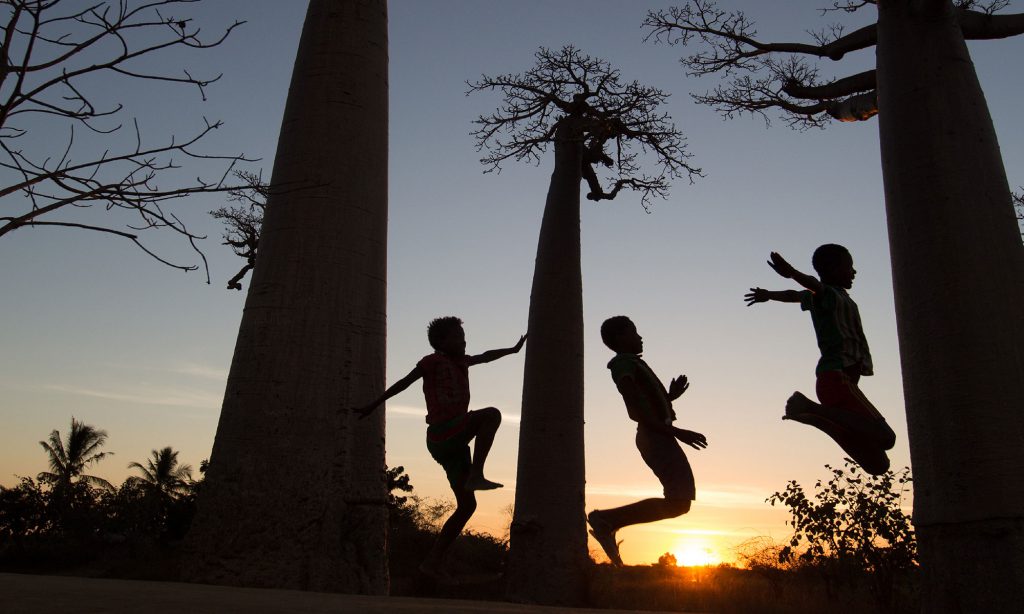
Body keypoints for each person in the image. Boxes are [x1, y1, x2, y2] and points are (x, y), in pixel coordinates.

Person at [351, 316, 525, 579]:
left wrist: (512, 350)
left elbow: (486, 356)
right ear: (441, 342)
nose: (464, 342)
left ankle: (431, 563)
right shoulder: (432, 362)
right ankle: (477, 473)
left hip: (455, 443)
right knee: (491, 415)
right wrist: (373, 405)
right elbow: (404, 383)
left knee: (467, 506)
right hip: (443, 433)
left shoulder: (462, 361)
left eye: (464, 337)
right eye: (458, 337)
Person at [744, 245, 896, 475]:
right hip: (836, 378)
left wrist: (769, 295)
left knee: (878, 465)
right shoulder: (829, 295)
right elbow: (812, 286)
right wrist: (792, 273)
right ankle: (809, 407)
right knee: (886, 437)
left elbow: (794, 295)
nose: (854, 272)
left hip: (840, 383)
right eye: (849, 267)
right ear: (833, 269)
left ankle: (819, 418)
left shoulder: (835, 296)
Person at [587, 316, 708, 566]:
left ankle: (608, 521)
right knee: (679, 502)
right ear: (620, 338)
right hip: (655, 436)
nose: (640, 337)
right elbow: (635, 407)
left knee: (680, 503)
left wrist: (669, 396)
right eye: (634, 332)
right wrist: (677, 432)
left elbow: (644, 403)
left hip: (658, 434)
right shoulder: (623, 365)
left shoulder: (631, 364)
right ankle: (605, 520)